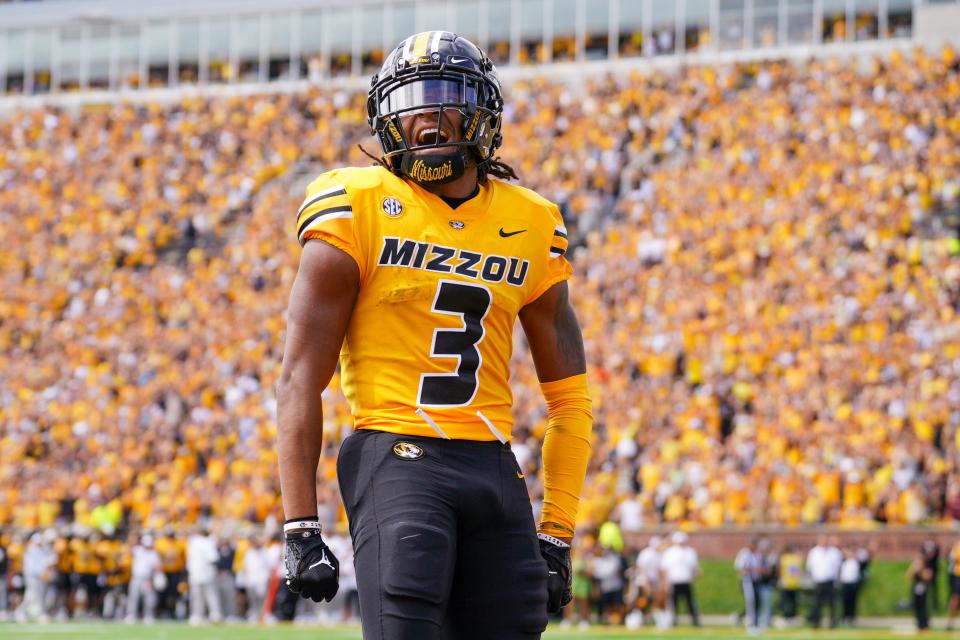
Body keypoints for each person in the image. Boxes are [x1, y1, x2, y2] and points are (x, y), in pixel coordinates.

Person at [276, 30, 592, 640]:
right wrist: (299, 526)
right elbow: (298, 380)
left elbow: (571, 399)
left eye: (443, 94)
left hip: (495, 467)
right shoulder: (355, 203)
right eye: (411, 98)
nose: (425, 113)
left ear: (483, 111)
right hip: (396, 455)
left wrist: (556, 530)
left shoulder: (530, 221)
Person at [660, 532, 701, 627]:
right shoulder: (670, 552)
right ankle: (673, 621)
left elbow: (694, 567)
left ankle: (695, 620)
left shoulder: (690, 552)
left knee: (690, 602)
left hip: (686, 580)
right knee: (674, 603)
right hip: (674, 581)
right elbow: (664, 569)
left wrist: (696, 573)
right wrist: (665, 582)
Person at [806, 535, 842, 628]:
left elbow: (838, 567)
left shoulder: (834, 552)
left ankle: (832, 622)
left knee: (832, 603)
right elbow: (809, 567)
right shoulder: (814, 552)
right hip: (818, 581)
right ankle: (816, 622)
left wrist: (837, 579)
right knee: (817, 603)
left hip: (830, 581)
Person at [126, 533, 161, 624]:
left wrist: (158, 576)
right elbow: (129, 545)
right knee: (133, 597)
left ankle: (148, 616)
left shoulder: (153, 553)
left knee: (149, 599)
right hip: (136, 577)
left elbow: (157, 566)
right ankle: (131, 615)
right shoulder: (138, 550)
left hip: (147, 579)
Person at [734, 537, 761, 630]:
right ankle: (751, 623)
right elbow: (740, 568)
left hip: (755, 581)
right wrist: (752, 570)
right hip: (747, 581)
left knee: (755, 602)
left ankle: (742, 618)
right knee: (750, 602)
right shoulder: (744, 553)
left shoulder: (756, 554)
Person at [908, 545, 934, 631]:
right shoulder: (915, 566)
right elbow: (908, 576)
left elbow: (928, 577)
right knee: (917, 606)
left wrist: (920, 570)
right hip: (916, 588)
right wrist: (914, 569)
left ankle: (925, 624)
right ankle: (919, 623)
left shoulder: (927, 565)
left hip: (923, 588)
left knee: (924, 606)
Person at [778, 543, 803, 624]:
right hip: (786, 583)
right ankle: (785, 616)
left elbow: (798, 570)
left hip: (794, 584)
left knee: (794, 602)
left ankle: (792, 617)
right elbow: (780, 569)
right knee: (785, 601)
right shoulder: (784, 558)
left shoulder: (797, 558)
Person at [839, 545, 861, 626]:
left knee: (853, 601)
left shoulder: (856, 562)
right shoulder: (843, 562)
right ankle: (845, 617)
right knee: (845, 602)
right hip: (845, 583)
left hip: (853, 584)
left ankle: (852, 617)